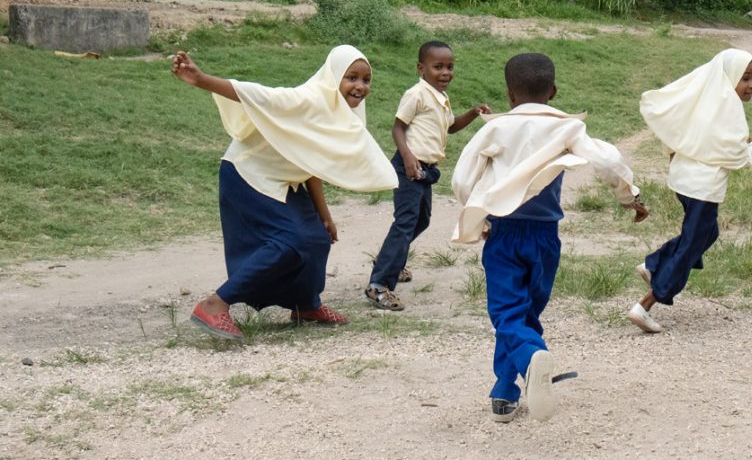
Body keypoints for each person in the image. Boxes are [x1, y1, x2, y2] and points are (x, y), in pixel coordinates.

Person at [451, 53, 648, 423]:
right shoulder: (568, 128)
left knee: (507, 314)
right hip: (545, 239)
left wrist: (477, 217)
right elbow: (607, 161)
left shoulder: (493, 129)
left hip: (505, 234)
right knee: (525, 313)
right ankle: (505, 389)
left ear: (509, 95)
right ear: (553, 91)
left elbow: (463, 180)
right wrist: (629, 197)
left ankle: (529, 361)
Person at [171, 45, 398, 341]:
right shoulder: (307, 99)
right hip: (248, 173)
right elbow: (256, 94)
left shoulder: (342, 116)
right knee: (290, 242)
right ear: (333, 78)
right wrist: (201, 79)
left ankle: (305, 306)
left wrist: (324, 215)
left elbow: (315, 162)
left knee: (317, 238)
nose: (359, 86)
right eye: (351, 77)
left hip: (285, 180)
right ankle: (215, 304)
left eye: (366, 80)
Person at [627, 48, 752, 334]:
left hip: (684, 182)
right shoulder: (729, 109)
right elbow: (738, 157)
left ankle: (654, 263)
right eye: (745, 78)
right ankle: (647, 302)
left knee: (707, 233)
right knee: (691, 246)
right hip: (704, 190)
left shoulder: (706, 101)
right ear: (729, 78)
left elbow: (682, 131)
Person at [364, 41, 490, 311]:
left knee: (421, 219)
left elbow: (451, 126)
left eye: (450, 67)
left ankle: (390, 260)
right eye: (438, 67)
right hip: (410, 166)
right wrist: (408, 158)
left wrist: (473, 113)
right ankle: (379, 285)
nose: (445, 72)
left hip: (426, 170)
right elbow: (398, 128)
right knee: (406, 222)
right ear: (422, 68)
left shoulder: (441, 98)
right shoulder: (417, 94)